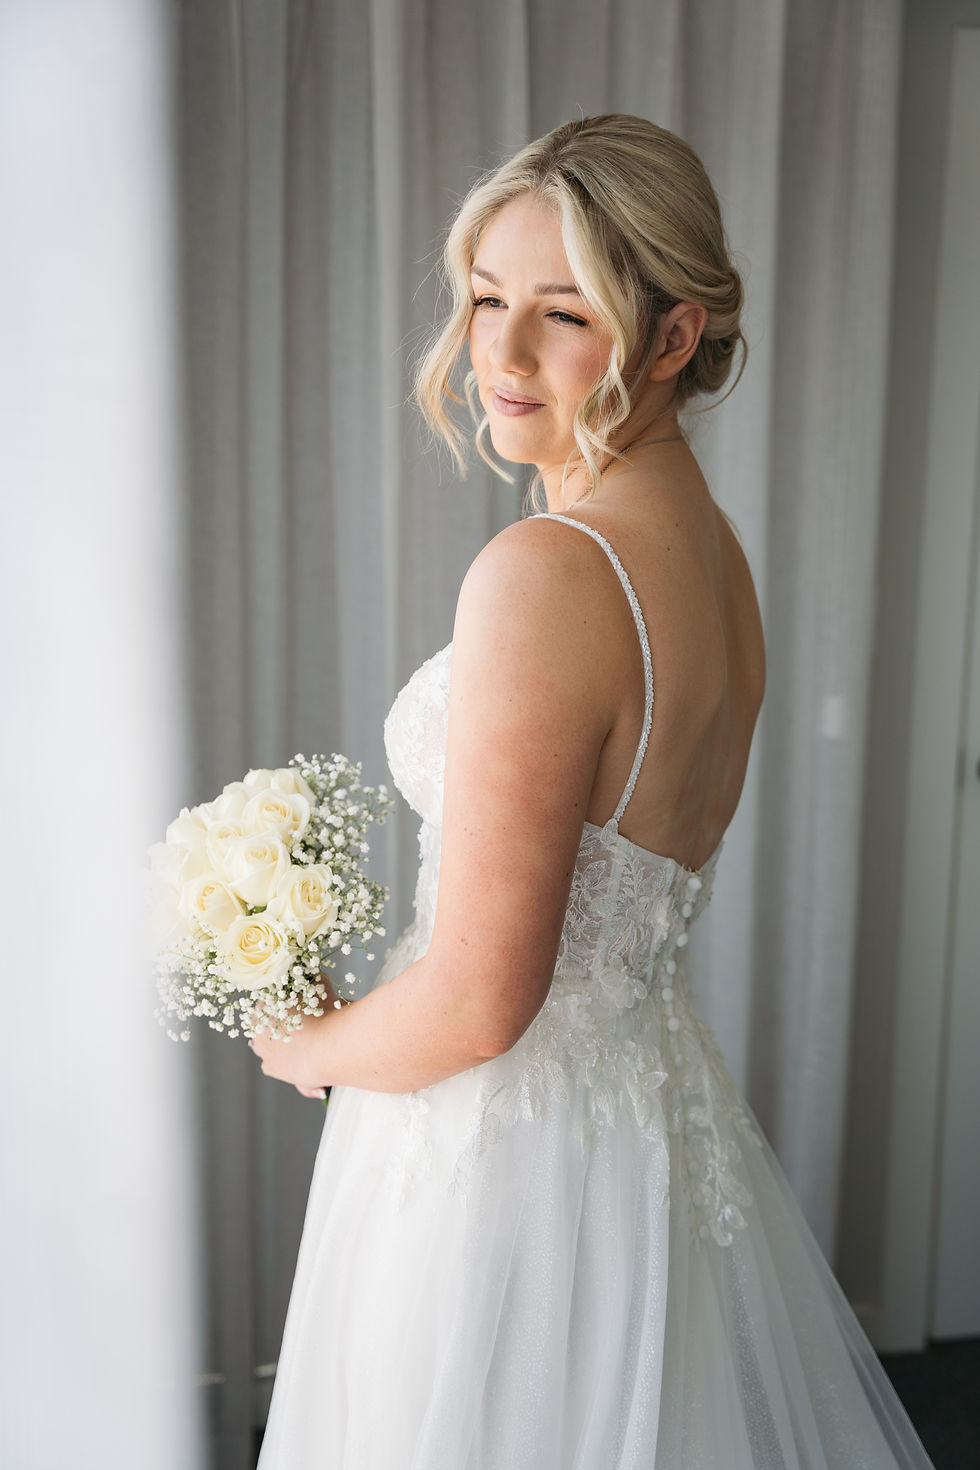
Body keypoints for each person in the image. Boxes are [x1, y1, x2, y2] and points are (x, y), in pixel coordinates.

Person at [252, 115, 933, 1468]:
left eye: (560, 314)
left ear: (672, 337)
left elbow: (483, 997)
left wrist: (311, 1049)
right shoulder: (713, 557)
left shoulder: (549, 570)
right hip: (643, 1142)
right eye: (487, 299)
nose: (498, 355)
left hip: (496, 1169)